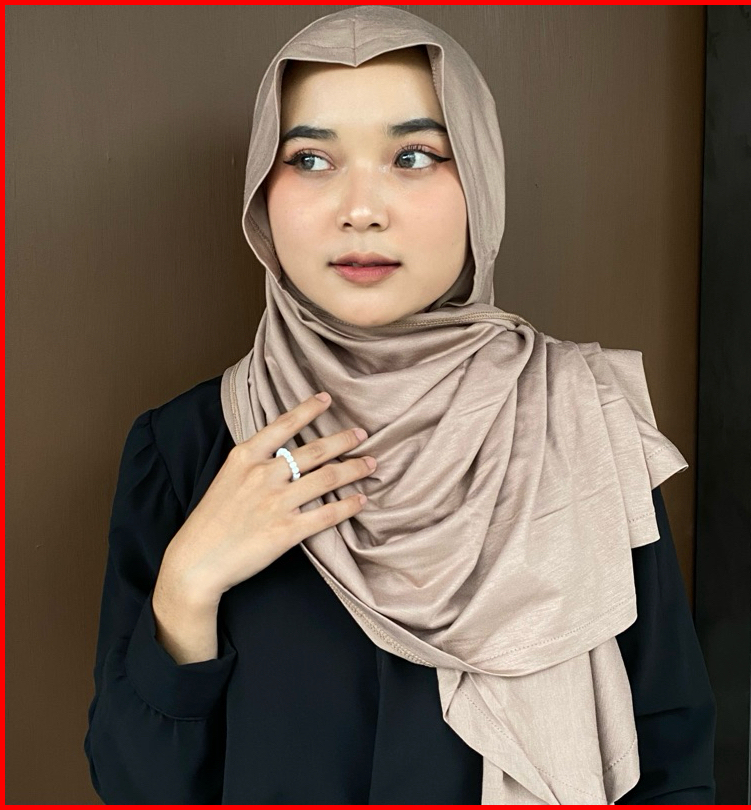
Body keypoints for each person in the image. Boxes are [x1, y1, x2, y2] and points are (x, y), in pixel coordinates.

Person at [83, 6, 716, 805]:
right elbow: (135, 788)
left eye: (413, 156)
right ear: (262, 195)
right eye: (310, 159)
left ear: (478, 179)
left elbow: (671, 757)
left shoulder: (578, 421)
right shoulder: (185, 451)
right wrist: (187, 585)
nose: (361, 208)